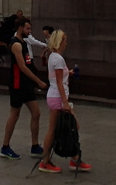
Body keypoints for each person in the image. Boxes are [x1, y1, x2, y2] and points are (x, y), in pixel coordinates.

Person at [38, 29, 91, 173]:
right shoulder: (58, 59)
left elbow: (57, 77)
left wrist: (69, 73)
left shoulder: (52, 56)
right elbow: (60, 82)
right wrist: (65, 102)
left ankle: (68, 158)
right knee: (70, 126)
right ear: (60, 42)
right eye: (65, 40)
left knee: (59, 128)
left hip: (54, 95)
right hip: (58, 97)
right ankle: (52, 160)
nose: (66, 44)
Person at [0, 16, 47, 160]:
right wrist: (38, 81)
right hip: (17, 84)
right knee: (14, 115)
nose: (30, 31)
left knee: (36, 113)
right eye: (28, 28)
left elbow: (29, 64)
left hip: (25, 84)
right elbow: (23, 67)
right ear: (20, 28)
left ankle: (34, 146)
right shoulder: (16, 45)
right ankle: (5, 147)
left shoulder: (24, 43)